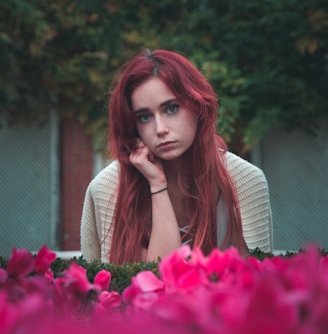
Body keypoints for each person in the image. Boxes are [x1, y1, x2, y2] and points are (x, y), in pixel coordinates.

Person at [80, 49, 273, 264]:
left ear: (198, 106)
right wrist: (157, 184)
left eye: (171, 109)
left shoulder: (245, 181)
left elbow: (252, 281)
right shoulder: (109, 186)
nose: (160, 129)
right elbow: (149, 280)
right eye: (144, 117)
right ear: (132, 127)